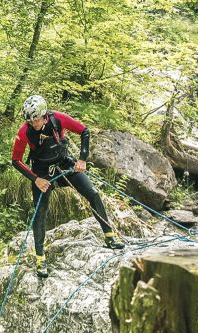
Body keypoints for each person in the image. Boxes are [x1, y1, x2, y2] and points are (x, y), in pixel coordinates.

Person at [11, 95, 124, 279]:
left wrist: (82, 159)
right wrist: (35, 179)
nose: (34, 124)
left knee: (93, 194)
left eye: (37, 119)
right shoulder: (24, 131)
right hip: (42, 173)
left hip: (65, 165)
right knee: (40, 211)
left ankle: (110, 235)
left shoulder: (57, 119)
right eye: (30, 121)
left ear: (43, 115)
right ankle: (40, 257)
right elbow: (16, 160)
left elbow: (84, 131)